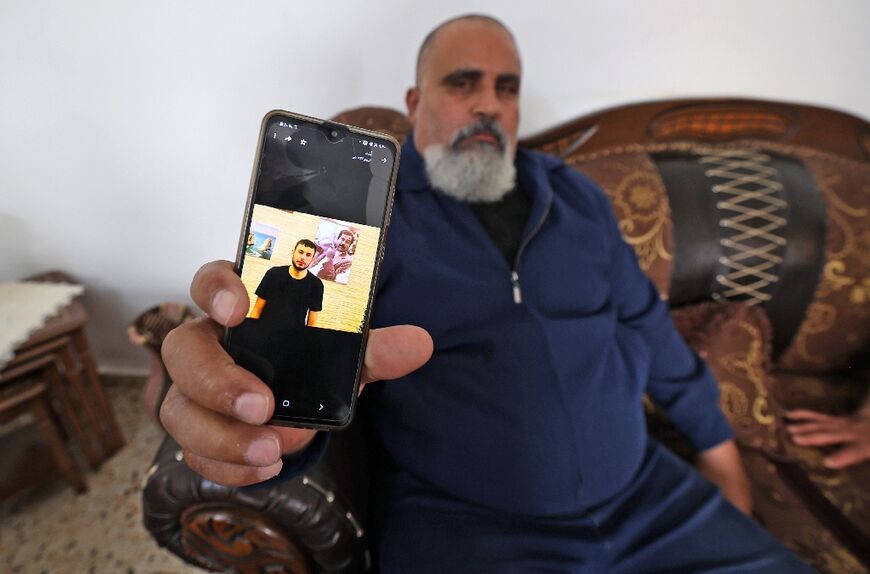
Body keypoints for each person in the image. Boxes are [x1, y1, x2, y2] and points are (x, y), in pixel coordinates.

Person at [161, 15, 816, 572]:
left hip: (650, 499)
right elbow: (308, 360)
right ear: (415, 104)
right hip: (470, 525)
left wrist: (720, 452)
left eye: (507, 88)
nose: (488, 105)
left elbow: (646, 324)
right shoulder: (368, 222)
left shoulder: (579, 199)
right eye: (462, 82)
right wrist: (267, 415)